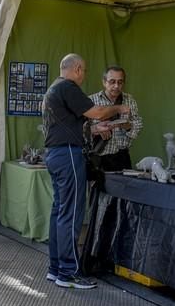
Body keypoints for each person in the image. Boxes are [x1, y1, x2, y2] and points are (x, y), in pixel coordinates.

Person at [42, 54, 129, 290]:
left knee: (59, 211)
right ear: (78, 69)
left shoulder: (53, 89)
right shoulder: (68, 87)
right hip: (69, 155)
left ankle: (56, 267)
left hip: (55, 154)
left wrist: (93, 129)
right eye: (85, 70)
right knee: (71, 214)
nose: (84, 75)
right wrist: (119, 108)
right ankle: (69, 273)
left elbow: (74, 124)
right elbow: (98, 112)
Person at [86, 66, 143, 171]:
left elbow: (138, 125)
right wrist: (95, 129)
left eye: (120, 82)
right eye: (112, 82)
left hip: (122, 157)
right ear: (104, 82)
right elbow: (81, 129)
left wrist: (128, 127)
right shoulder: (91, 101)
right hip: (97, 157)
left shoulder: (129, 100)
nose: (116, 86)